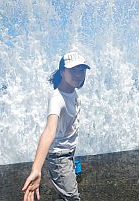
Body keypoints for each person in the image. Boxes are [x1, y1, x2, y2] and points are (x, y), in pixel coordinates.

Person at [22, 51, 90, 201]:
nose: (78, 74)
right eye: (73, 70)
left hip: (68, 152)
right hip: (59, 156)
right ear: (62, 71)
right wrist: (36, 169)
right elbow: (49, 131)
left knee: (65, 193)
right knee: (72, 197)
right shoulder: (57, 98)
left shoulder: (72, 90)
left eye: (82, 70)